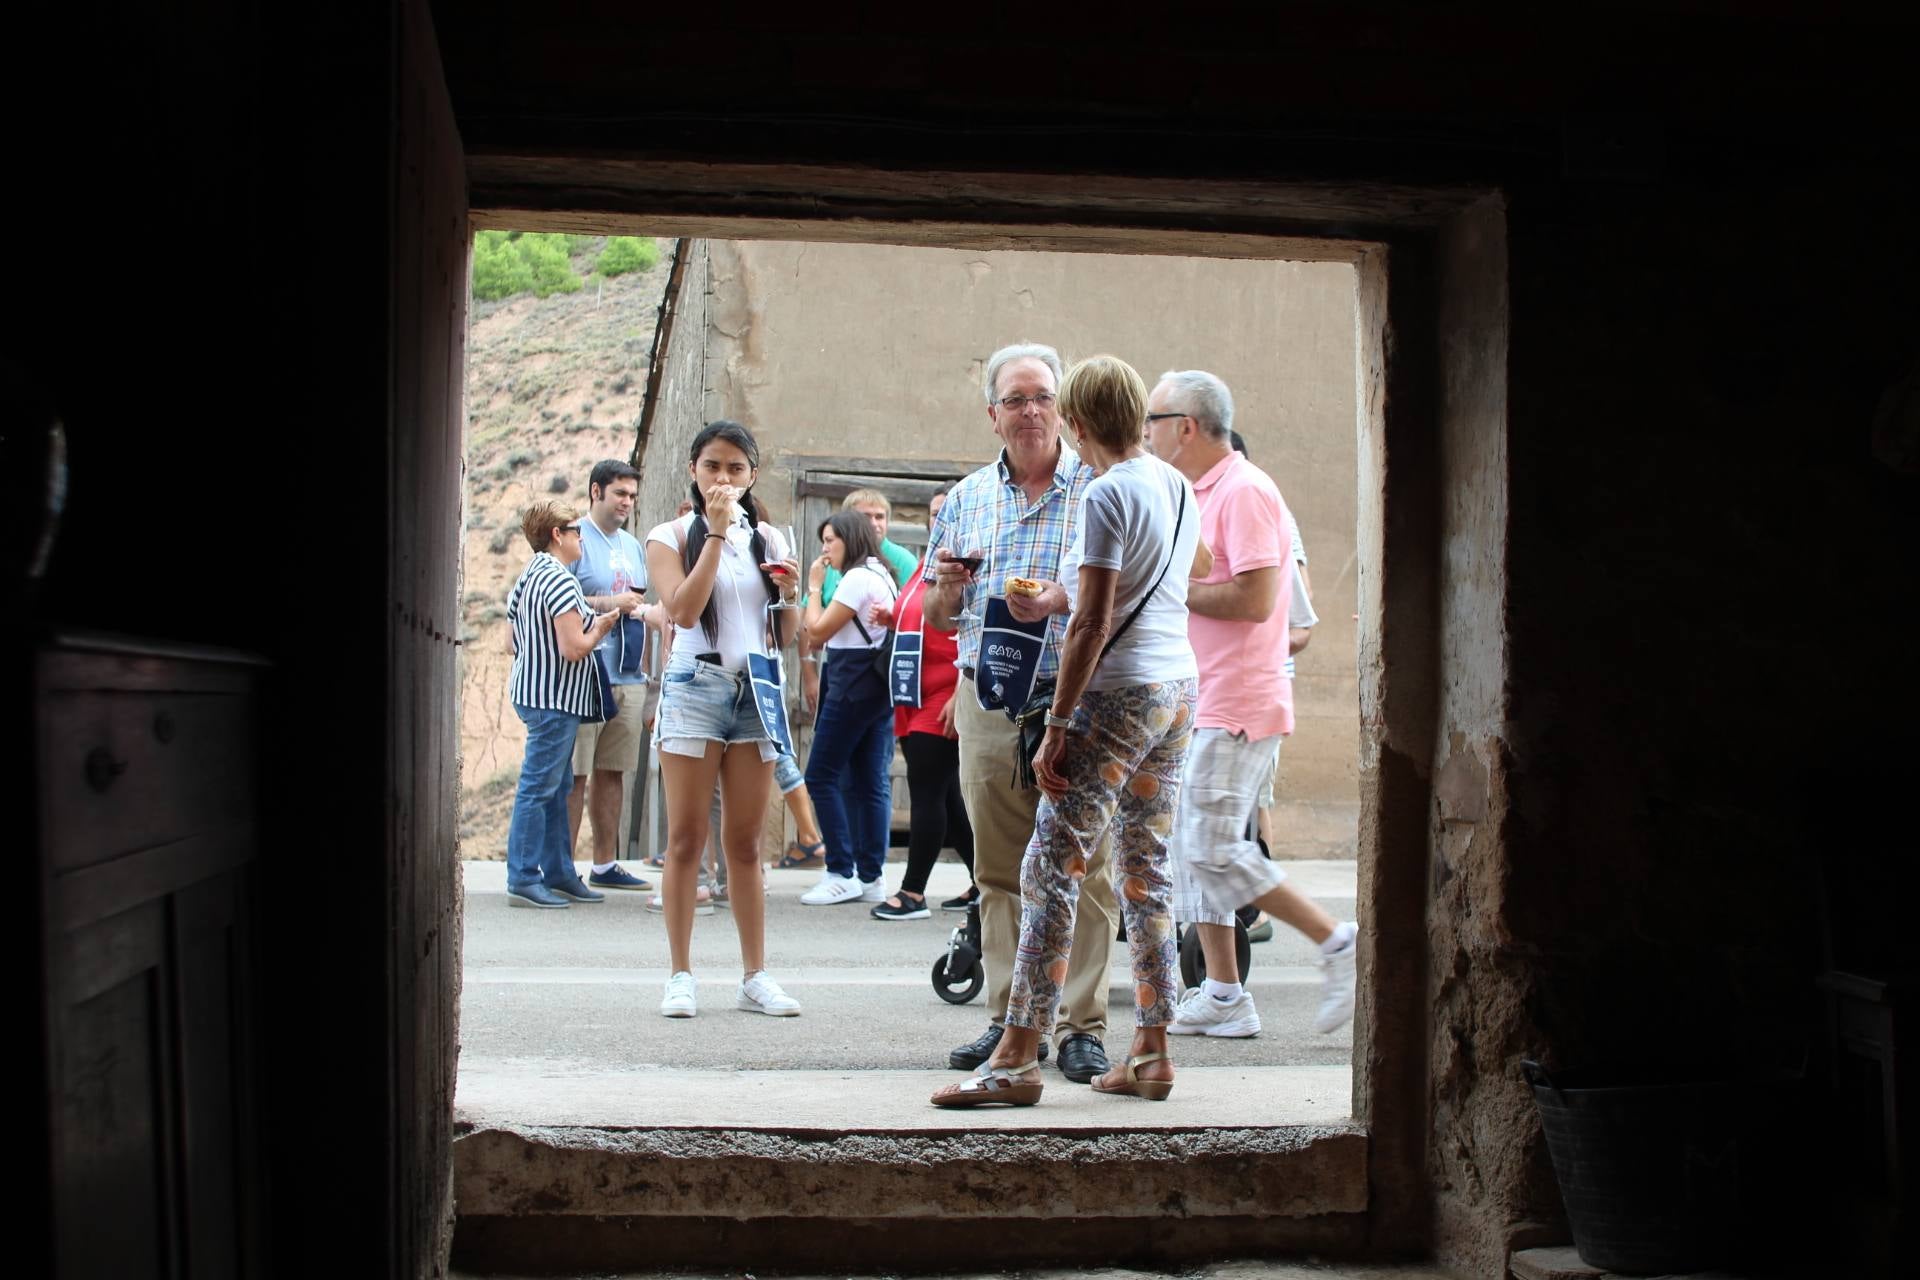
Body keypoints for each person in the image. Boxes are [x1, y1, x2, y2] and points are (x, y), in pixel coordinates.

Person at [930, 354, 1200, 1108]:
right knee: (1146, 872)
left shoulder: (1105, 493)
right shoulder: (1176, 484)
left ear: (1077, 422)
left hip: (1114, 698)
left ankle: (1017, 1059)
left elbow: (1090, 623)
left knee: (1051, 869)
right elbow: (1129, 592)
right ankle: (1152, 1049)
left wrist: (1058, 724)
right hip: (1176, 691)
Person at [1145, 370, 1358, 1039]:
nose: (1145, 432)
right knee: (1192, 848)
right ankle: (1224, 993)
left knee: (1212, 844)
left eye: (1153, 419)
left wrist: (1166, 585)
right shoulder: (1194, 491)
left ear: (1186, 426)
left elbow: (1257, 600)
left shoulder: (1245, 490)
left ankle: (1336, 941)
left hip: (1236, 700)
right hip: (1200, 695)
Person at [920, 341, 1111, 1084]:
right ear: (992, 414)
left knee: (1082, 867)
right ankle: (1008, 1020)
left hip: (1079, 697)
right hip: (990, 701)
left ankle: (1081, 1027)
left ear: (1061, 407)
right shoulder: (967, 498)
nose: (1031, 411)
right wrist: (948, 587)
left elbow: (1119, 596)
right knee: (997, 869)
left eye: (1042, 397)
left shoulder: (1099, 487)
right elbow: (940, 615)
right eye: (1015, 400)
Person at [644, 420, 804, 1018]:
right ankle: (680, 973)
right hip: (694, 684)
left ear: (752, 476)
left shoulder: (770, 539)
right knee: (686, 839)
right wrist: (713, 536)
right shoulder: (669, 535)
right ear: (694, 471)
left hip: (756, 689)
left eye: (737, 469)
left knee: (744, 842)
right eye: (713, 466)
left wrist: (790, 594)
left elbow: (787, 635)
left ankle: (754, 975)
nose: (724, 478)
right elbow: (682, 612)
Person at [503, 500, 624, 908]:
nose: (580, 537)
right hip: (555, 700)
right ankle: (523, 877)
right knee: (539, 788)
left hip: (534, 693)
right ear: (557, 535)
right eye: (575, 530)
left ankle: (558, 872)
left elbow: (509, 641)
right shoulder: (560, 581)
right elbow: (574, 648)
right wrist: (603, 627)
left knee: (553, 789)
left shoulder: (529, 576)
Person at [870, 484, 975, 920]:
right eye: (934, 513)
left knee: (928, 793)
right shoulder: (925, 569)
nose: (938, 520)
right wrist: (890, 616)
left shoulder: (966, 568)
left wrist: (959, 694)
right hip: (911, 694)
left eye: (945, 512)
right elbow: (919, 617)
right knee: (950, 802)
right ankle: (984, 885)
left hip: (942, 694)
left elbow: (972, 632)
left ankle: (912, 894)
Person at [563, 459, 660, 891]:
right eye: (620, 493)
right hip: (586, 672)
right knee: (575, 775)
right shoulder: (574, 540)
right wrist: (610, 603)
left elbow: (636, 604)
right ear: (595, 491)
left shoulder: (634, 545)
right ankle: (562, 867)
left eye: (632, 496)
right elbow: (560, 599)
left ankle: (604, 864)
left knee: (613, 771)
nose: (627, 502)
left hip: (628, 676)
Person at [796, 510, 899, 905]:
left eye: (830, 541)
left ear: (849, 540)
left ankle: (841, 870)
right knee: (868, 779)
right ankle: (870, 875)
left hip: (851, 682)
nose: (825, 549)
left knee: (821, 775)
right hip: (874, 683)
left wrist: (813, 587)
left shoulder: (856, 578)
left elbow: (816, 632)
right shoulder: (882, 575)